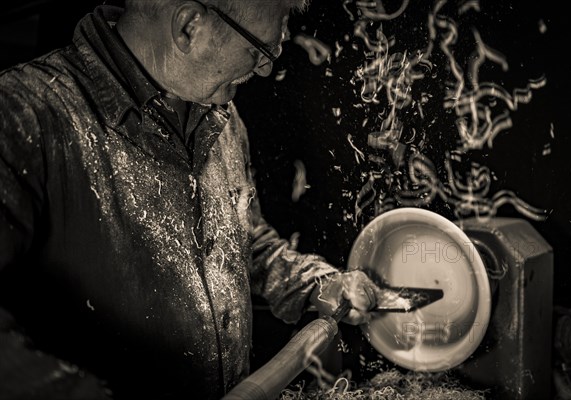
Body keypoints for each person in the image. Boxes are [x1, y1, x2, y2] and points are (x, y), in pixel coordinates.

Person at [0, 1, 380, 398]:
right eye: (258, 50)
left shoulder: (221, 117)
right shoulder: (24, 115)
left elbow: (246, 242)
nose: (266, 69)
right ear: (188, 27)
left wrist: (316, 285)